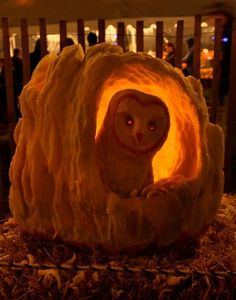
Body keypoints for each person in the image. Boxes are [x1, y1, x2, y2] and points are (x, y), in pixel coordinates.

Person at [12, 48, 23, 120]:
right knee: (20, 97)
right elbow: (21, 71)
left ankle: (15, 112)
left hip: (12, 82)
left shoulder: (10, 60)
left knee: (13, 98)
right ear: (19, 52)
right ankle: (19, 113)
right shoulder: (19, 61)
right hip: (18, 82)